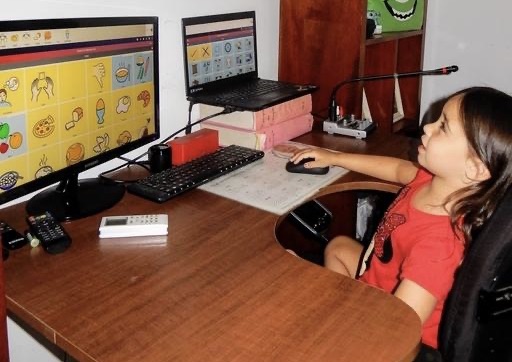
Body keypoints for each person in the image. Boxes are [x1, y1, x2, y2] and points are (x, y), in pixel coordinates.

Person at [289, 86, 512, 348]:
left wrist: (308, 286)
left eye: (443, 127)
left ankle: (334, 328)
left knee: (296, 278)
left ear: (474, 168)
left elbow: (397, 328)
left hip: (392, 325)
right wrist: (336, 157)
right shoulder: (432, 181)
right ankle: (336, 309)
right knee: (339, 247)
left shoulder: (439, 246)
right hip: (380, 287)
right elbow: (397, 169)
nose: (428, 127)